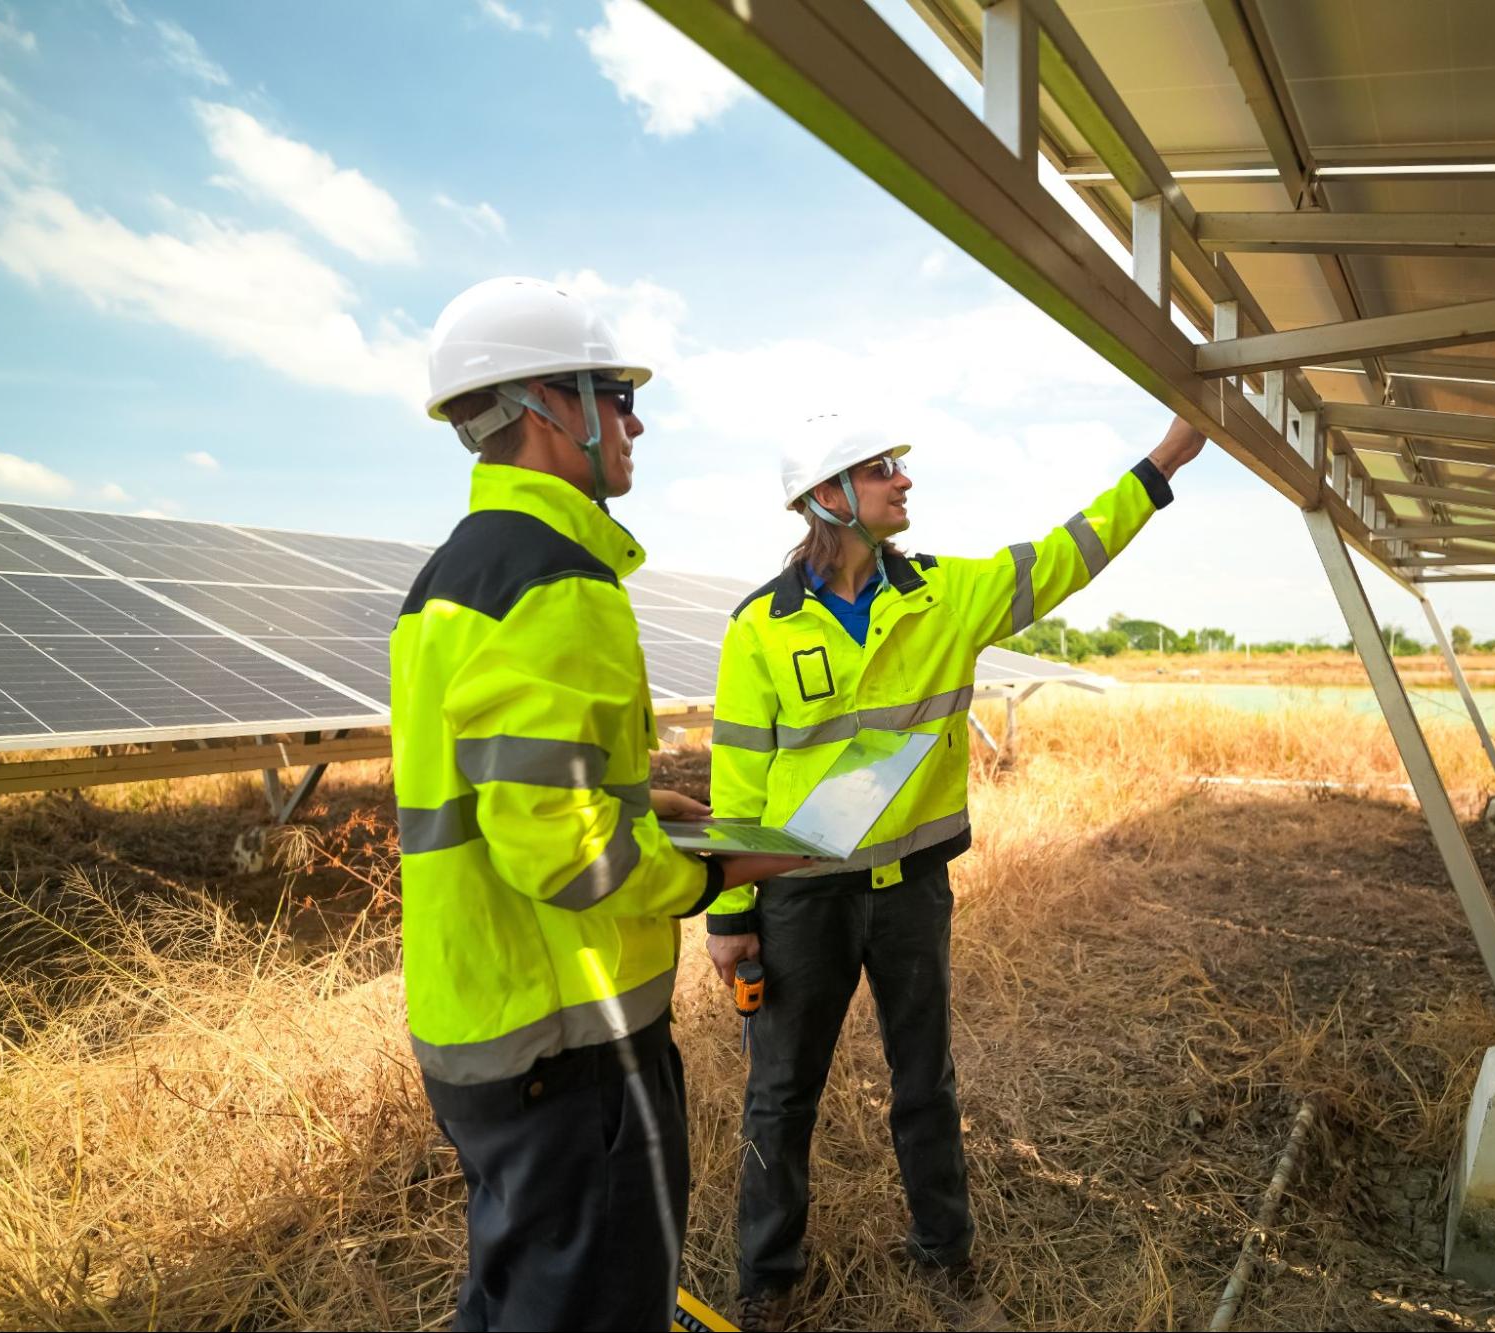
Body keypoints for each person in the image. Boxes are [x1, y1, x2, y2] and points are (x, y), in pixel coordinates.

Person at [704, 412, 1209, 1329]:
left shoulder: (949, 594)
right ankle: (767, 1282)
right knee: (779, 1094)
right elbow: (735, 777)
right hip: (799, 902)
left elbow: (1067, 553)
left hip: (909, 897)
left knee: (924, 1081)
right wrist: (729, 912)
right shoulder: (759, 629)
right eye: (881, 469)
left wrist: (1164, 459)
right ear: (827, 496)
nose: (904, 481)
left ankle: (946, 1253)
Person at [392, 276, 808, 1332]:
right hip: (568, 1044)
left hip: (483, 1018)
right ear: (547, 405)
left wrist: (648, 798)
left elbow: (514, 794)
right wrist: (719, 870)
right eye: (615, 393)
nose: (633, 422)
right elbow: (570, 857)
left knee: (517, 1294)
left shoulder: (453, 576)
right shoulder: (556, 578)